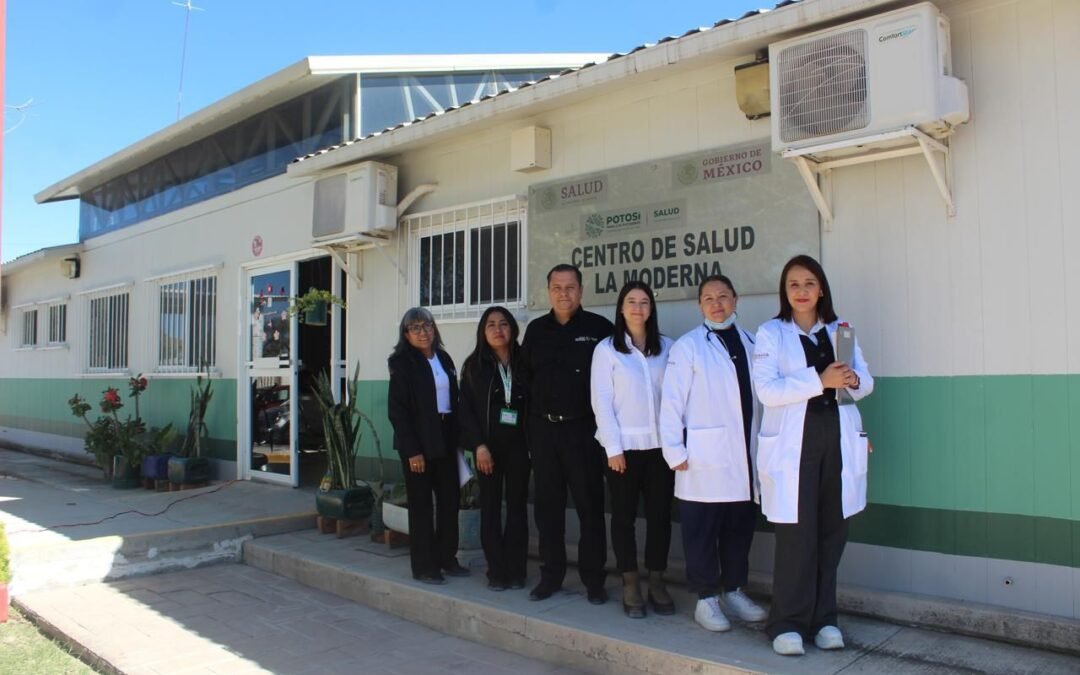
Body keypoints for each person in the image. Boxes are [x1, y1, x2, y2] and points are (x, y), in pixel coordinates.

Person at [753, 255, 873, 656]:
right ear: (785, 293)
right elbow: (767, 391)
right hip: (795, 445)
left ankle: (825, 620)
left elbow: (865, 380)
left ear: (821, 288)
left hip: (835, 440)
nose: (801, 291)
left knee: (831, 534)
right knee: (796, 536)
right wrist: (819, 380)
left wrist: (854, 379)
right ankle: (786, 622)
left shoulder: (842, 330)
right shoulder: (771, 334)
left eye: (809, 283)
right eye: (793, 285)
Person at [660, 275, 768, 633]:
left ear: (736, 300)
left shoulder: (755, 343)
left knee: (739, 529)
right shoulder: (688, 347)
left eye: (723, 296)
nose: (717, 303)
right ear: (700, 305)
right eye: (708, 298)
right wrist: (673, 450)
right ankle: (706, 599)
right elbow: (671, 402)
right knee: (702, 531)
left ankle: (734, 590)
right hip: (701, 459)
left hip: (744, 457)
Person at [521, 264, 613, 604]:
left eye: (570, 287)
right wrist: (531, 432)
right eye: (557, 287)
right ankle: (551, 576)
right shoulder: (535, 331)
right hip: (544, 432)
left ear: (581, 290)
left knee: (590, 507)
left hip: (584, 432)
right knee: (548, 508)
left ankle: (594, 580)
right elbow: (525, 383)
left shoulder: (600, 329)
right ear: (548, 291)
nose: (564, 293)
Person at [589, 281, 675, 619]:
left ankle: (656, 579)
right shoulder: (607, 350)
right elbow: (602, 402)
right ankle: (630, 582)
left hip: (660, 450)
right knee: (624, 519)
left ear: (651, 309)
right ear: (621, 309)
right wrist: (613, 447)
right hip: (622, 451)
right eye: (631, 301)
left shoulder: (668, 348)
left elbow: (676, 398)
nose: (637, 307)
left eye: (643, 302)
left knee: (660, 518)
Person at [387, 307, 471, 585]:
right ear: (406, 334)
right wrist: (412, 450)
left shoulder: (444, 358)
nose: (423, 332)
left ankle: (447, 557)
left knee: (449, 501)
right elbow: (397, 411)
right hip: (419, 440)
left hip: (446, 436)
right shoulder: (401, 363)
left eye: (427, 326)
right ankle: (424, 566)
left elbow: (455, 399)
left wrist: (460, 439)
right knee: (422, 505)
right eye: (416, 328)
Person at [459, 306, 530, 592]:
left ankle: (516, 570)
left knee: (517, 509)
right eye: (491, 324)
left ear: (512, 328)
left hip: (519, 449)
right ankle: (496, 571)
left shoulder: (526, 362)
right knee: (490, 508)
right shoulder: (474, 367)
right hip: (488, 449)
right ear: (483, 331)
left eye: (503, 323)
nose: (498, 329)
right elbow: (466, 411)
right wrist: (478, 446)